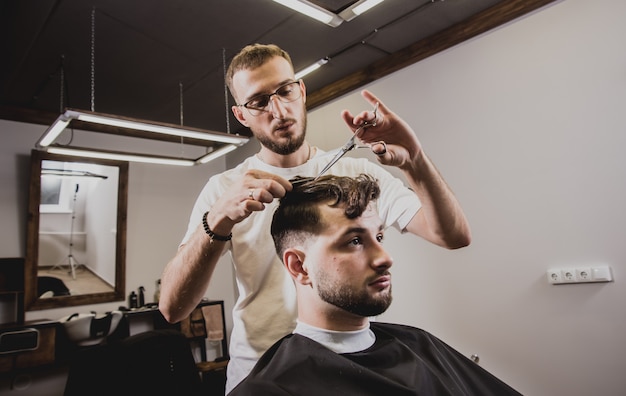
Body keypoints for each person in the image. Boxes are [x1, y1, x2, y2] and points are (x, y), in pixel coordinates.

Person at [159, 43, 472, 393]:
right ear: (242, 115)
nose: (278, 110)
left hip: (353, 367)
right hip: (261, 375)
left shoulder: (356, 171)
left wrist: (415, 159)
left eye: (285, 91)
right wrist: (216, 220)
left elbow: (452, 235)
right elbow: (172, 309)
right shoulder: (223, 189)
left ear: (301, 90)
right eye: (259, 101)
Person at [229, 174, 519, 396]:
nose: (385, 258)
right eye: (354, 241)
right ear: (299, 266)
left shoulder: (421, 344)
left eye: (379, 237)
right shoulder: (272, 388)